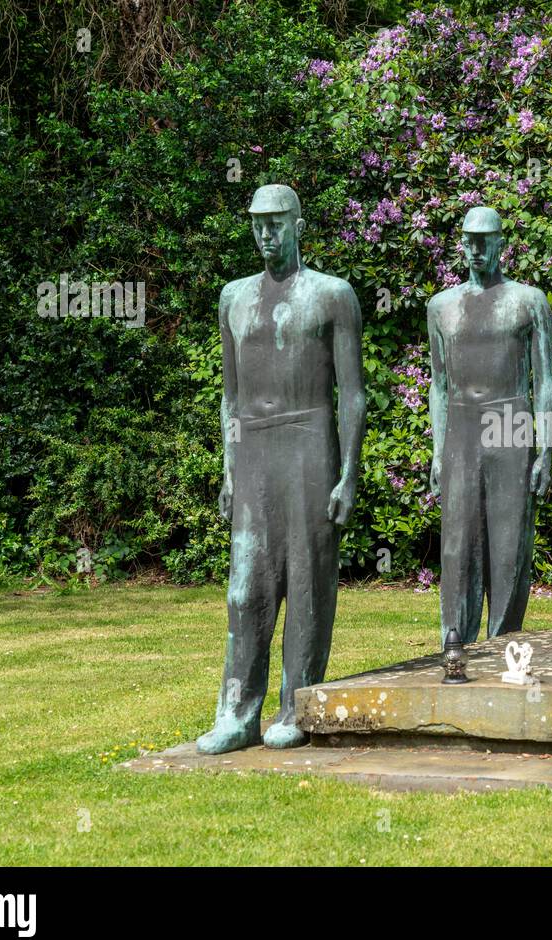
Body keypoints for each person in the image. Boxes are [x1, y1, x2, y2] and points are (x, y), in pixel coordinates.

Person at [197, 184, 367, 754]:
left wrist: (349, 473)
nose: (265, 234)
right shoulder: (233, 299)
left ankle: (297, 704)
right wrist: (228, 467)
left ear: (297, 224)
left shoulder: (332, 296)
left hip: (309, 444)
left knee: (308, 581)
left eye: (275, 223)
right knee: (246, 589)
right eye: (256, 224)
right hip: (255, 453)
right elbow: (230, 395)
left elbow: (353, 394)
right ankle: (237, 712)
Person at [427, 207, 552, 647]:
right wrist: (437, 449)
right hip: (461, 429)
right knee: (457, 543)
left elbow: (545, 380)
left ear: (502, 242)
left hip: (512, 422)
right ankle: (454, 643)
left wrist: (546, 449)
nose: (476, 249)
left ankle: (504, 642)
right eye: (468, 240)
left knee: (509, 543)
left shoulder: (528, 301)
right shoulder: (441, 306)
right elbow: (439, 386)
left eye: (485, 240)